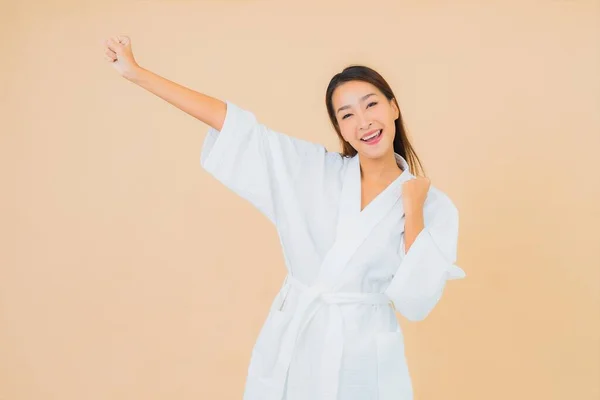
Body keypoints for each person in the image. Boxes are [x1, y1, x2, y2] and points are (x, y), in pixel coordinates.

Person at [103, 35, 466, 400]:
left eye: (371, 105)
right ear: (339, 128)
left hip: (363, 358)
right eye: (347, 115)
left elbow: (416, 300)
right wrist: (138, 74)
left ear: (394, 108)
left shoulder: (434, 206)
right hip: (298, 342)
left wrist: (413, 207)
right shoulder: (313, 171)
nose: (364, 122)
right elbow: (235, 127)